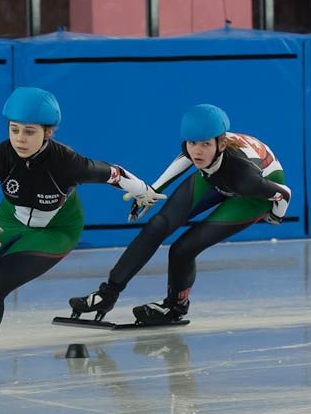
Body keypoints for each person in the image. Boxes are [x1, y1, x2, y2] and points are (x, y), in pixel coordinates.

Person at [0, 86, 164, 387]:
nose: (20, 139)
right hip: (9, 219)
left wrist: (144, 192)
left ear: (47, 133)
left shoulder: (67, 162)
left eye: (29, 132)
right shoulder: (0, 156)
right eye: (14, 130)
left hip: (55, 230)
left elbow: (114, 174)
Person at [69, 103, 291, 325]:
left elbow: (284, 194)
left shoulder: (245, 178)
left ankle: (175, 306)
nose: (197, 151)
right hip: (215, 175)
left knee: (182, 250)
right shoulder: (201, 150)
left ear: (221, 144)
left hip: (252, 194)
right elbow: (186, 157)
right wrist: (153, 191)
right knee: (158, 225)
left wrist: (275, 217)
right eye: (192, 143)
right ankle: (107, 294)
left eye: (205, 144)